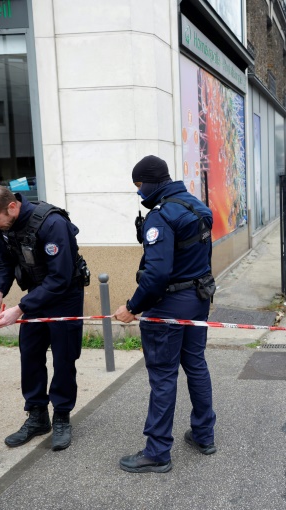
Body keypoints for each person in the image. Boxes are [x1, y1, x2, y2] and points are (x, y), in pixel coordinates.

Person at [114, 155, 217, 474]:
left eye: (139, 185)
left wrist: (132, 307)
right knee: (196, 364)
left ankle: (157, 452)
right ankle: (204, 435)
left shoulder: (160, 217)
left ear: (151, 182)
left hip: (169, 306)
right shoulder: (196, 206)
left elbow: (156, 275)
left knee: (162, 375)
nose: (138, 192)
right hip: (199, 299)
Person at [0, 185, 89, 451]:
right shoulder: (2, 229)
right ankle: (37, 416)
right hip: (35, 295)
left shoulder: (52, 224)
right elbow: (2, 264)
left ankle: (61, 416)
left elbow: (59, 278)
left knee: (64, 357)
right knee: (31, 354)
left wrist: (20, 308)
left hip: (64, 295)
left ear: (12, 207)